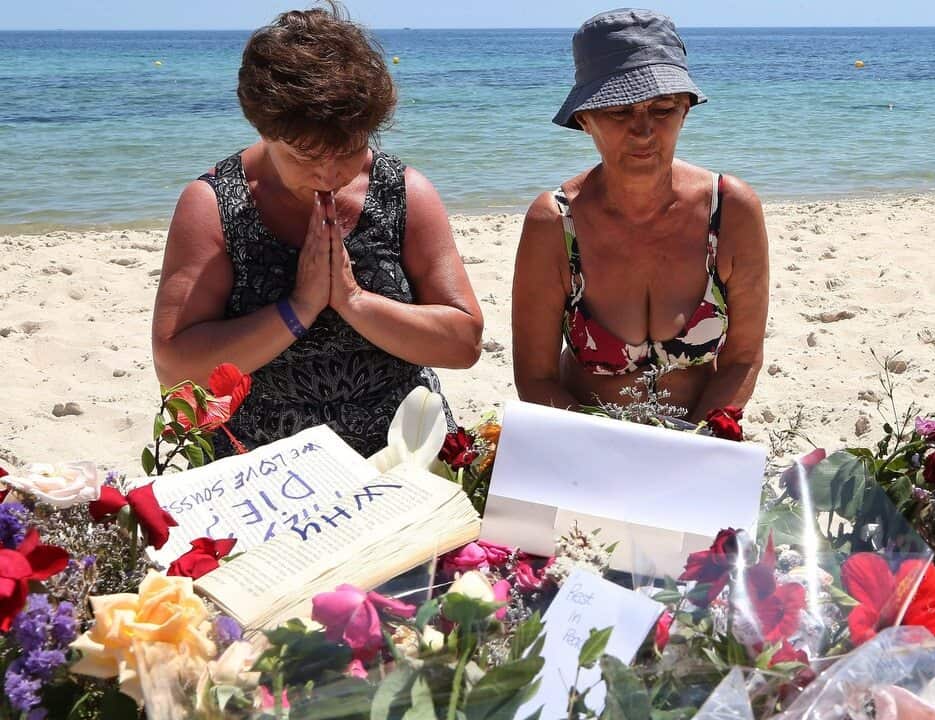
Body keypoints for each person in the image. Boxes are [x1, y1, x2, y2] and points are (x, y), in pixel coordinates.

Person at [152, 2, 483, 457]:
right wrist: (299, 309)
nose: (329, 175)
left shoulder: (403, 191)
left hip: (404, 450)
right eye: (306, 157)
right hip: (263, 463)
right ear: (264, 131)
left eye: (348, 151)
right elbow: (175, 369)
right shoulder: (214, 202)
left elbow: (463, 344)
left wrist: (354, 301)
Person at [512, 9, 769, 421]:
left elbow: (742, 358)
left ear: (686, 109)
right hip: (586, 445)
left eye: (662, 109)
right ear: (585, 119)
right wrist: (607, 453)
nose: (643, 130)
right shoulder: (556, 222)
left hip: (700, 440)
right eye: (618, 112)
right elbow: (536, 378)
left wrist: (697, 444)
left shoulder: (731, 209)